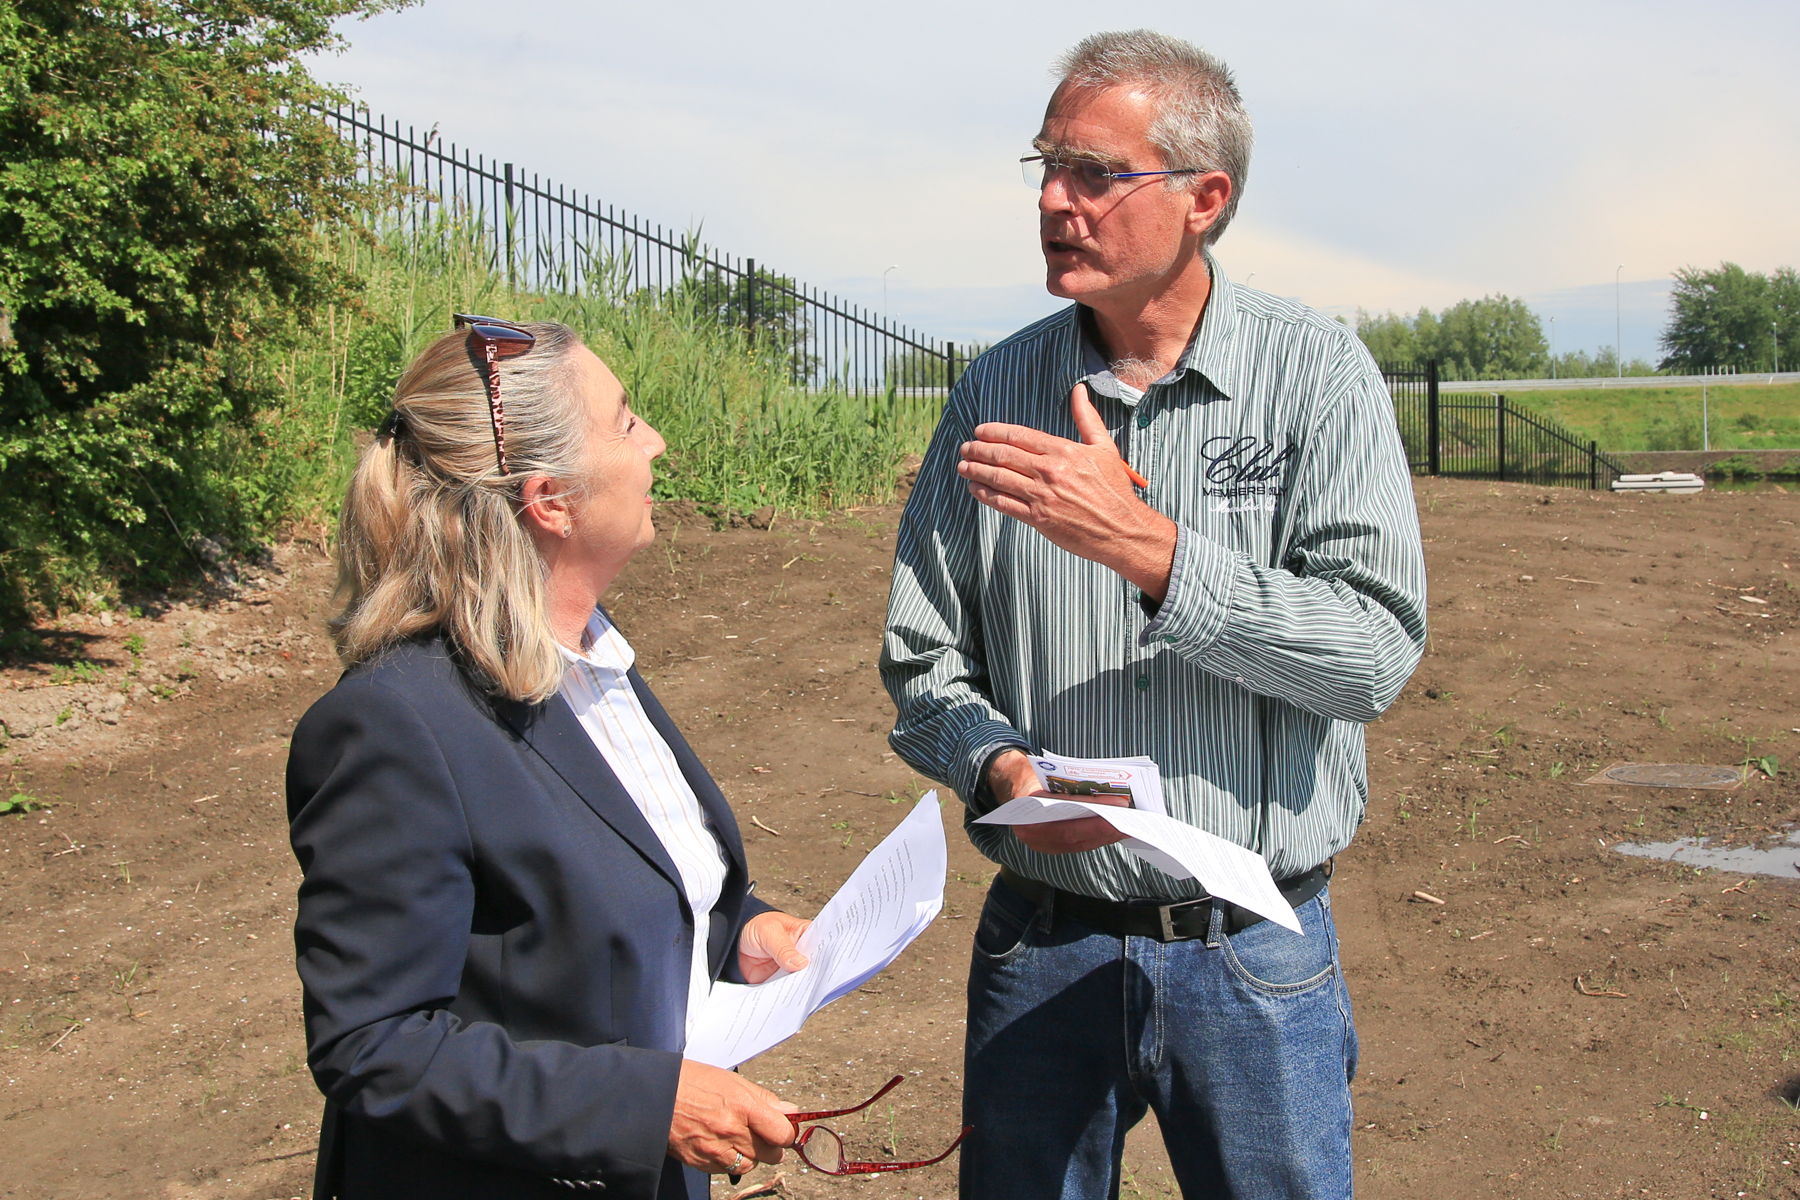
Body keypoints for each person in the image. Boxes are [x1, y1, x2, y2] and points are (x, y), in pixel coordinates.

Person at [880, 30, 1428, 1200]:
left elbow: (1372, 654)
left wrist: (1158, 556)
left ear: (1203, 198)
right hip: (1044, 941)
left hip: (1252, 950)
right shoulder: (995, 391)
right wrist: (1002, 774)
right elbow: (922, 658)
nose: (1054, 200)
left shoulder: (1316, 377)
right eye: (1045, 167)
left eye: (1093, 172)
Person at [286, 315, 810, 1199]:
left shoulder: (592, 660)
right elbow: (372, 1046)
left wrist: (737, 932)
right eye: (627, 421)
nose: (657, 443)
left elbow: (602, 893)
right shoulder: (394, 725)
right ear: (552, 500)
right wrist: (644, 1107)